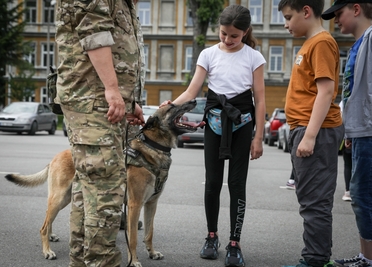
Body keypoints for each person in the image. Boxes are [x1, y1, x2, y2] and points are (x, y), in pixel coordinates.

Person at [161, 5, 266, 267]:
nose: (228, 40)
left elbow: (261, 100)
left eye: (234, 36)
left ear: (245, 32)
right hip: (215, 125)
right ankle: (211, 236)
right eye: (223, 34)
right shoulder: (208, 54)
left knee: (237, 184)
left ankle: (234, 242)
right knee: (212, 183)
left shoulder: (254, 57)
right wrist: (171, 105)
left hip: (242, 126)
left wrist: (259, 137)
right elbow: (192, 91)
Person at [55, 0, 145, 266]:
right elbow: (94, 35)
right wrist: (113, 90)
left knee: (90, 186)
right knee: (105, 189)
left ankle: (84, 261)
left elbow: (116, 46)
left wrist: (128, 100)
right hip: (93, 100)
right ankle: (101, 262)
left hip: (100, 101)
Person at [278, 1, 344, 267]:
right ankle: (318, 258)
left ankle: (315, 260)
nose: (285, 24)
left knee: (314, 201)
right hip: (304, 128)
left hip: (314, 130)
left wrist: (309, 136)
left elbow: (326, 91)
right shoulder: (310, 44)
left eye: (288, 17)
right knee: (311, 200)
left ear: (306, 11)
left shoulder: (321, 43)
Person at [322, 1, 372, 266]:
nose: (336, 20)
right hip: (360, 130)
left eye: (338, 14)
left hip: (369, 130)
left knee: (363, 196)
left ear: (356, 8)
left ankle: (368, 259)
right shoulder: (359, 43)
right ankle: (366, 256)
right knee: (362, 196)